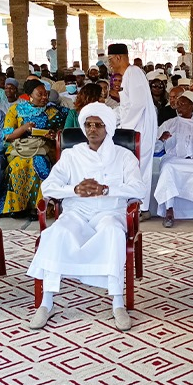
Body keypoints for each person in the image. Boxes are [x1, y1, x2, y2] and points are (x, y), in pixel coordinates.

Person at [27, 102, 144, 331]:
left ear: (108, 127)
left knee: (112, 233)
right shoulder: (72, 155)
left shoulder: (124, 156)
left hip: (110, 211)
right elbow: (49, 187)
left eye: (98, 125)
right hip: (77, 211)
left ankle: (117, 302)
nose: (92, 129)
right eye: (88, 125)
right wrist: (74, 190)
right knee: (57, 233)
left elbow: (139, 190)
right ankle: (47, 301)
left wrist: (107, 189)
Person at [0, 79, 67, 218]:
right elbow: (7, 136)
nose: (44, 98)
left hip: (44, 148)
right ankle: (18, 207)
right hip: (21, 148)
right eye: (40, 94)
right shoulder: (15, 110)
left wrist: (53, 135)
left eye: (46, 94)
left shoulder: (52, 111)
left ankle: (39, 208)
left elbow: (63, 129)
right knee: (17, 165)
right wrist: (24, 128)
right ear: (30, 95)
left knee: (39, 162)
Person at [108, 43, 157, 221]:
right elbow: (126, 107)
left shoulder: (133, 72)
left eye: (111, 59)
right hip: (134, 128)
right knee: (133, 167)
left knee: (140, 167)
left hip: (139, 130)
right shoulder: (128, 74)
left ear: (119, 57)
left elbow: (137, 105)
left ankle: (141, 208)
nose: (110, 63)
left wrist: (124, 129)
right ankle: (133, 204)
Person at [155, 91, 193, 229]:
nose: (178, 107)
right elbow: (155, 148)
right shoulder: (169, 124)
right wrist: (161, 139)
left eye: (183, 104)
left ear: (192, 107)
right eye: (178, 104)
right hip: (174, 159)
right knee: (167, 169)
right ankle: (169, 212)